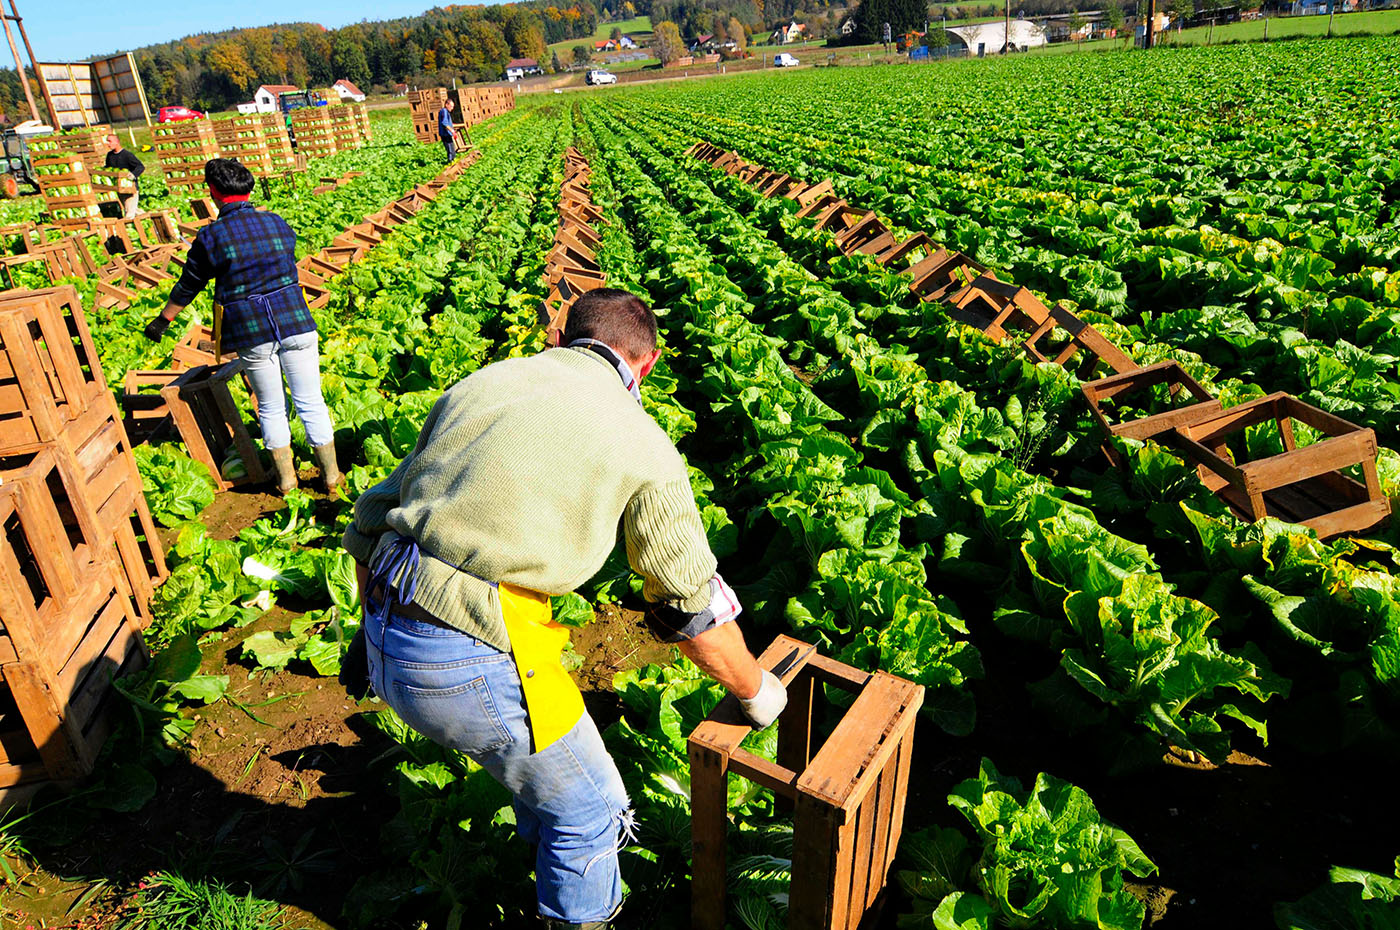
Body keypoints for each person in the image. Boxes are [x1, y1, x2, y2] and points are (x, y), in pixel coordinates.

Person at [341, 288, 787, 930]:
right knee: (592, 810)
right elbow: (689, 608)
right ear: (648, 365)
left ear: (560, 334)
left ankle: (535, 859)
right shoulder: (642, 441)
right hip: (465, 658)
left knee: (548, 783)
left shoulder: (485, 383)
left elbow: (370, 514)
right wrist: (755, 692)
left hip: (387, 615)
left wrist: (369, 630)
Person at [142, 158, 342, 494]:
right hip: (296, 322)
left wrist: (163, 320)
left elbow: (189, 285)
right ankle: (332, 477)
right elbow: (288, 255)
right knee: (310, 401)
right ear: (248, 189)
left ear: (213, 193)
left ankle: (286, 480)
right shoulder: (277, 223)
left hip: (252, 332)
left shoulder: (210, 238)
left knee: (271, 406)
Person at [103, 133, 145, 219]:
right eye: (107, 141)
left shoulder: (127, 155)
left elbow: (140, 166)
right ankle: (151, 218)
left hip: (130, 189)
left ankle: (127, 229)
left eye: (110, 141)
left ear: (117, 142)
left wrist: (133, 174)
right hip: (119, 189)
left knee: (129, 213)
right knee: (133, 209)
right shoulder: (110, 156)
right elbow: (107, 169)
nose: (108, 143)